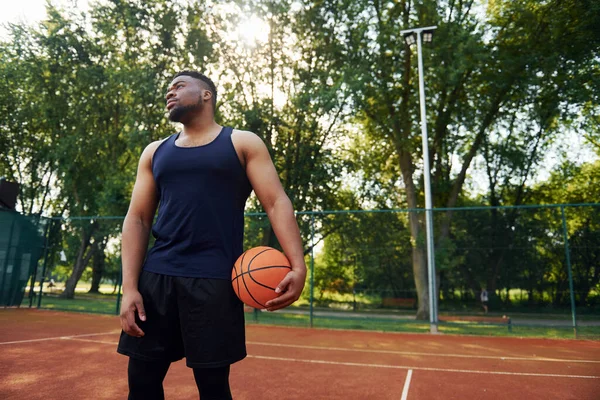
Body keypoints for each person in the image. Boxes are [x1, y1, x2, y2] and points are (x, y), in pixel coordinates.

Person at [116, 70, 306, 400]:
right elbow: (138, 219)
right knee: (142, 381)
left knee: (213, 387)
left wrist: (297, 265)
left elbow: (276, 202)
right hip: (157, 277)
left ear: (207, 95)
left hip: (215, 280)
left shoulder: (242, 142)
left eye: (178, 86)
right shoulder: (155, 151)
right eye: (168, 89)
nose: (169, 93)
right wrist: (129, 287)